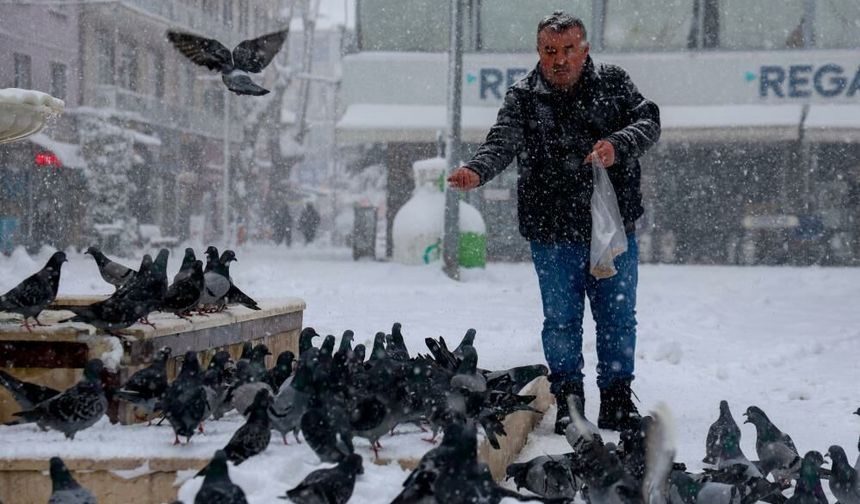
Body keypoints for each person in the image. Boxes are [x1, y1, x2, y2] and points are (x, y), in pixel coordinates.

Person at [447, 11, 661, 433]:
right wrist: (476, 170)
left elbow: (649, 121)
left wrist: (617, 145)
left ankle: (617, 399)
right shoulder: (524, 97)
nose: (559, 60)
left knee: (618, 318)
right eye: (550, 51)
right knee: (561, 320)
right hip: (552, 230)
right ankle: (569, 400)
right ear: (538, 51)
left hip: (612, 230)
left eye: (568, 50)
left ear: (585, 50)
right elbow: (501, 142)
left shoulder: (614, 83)